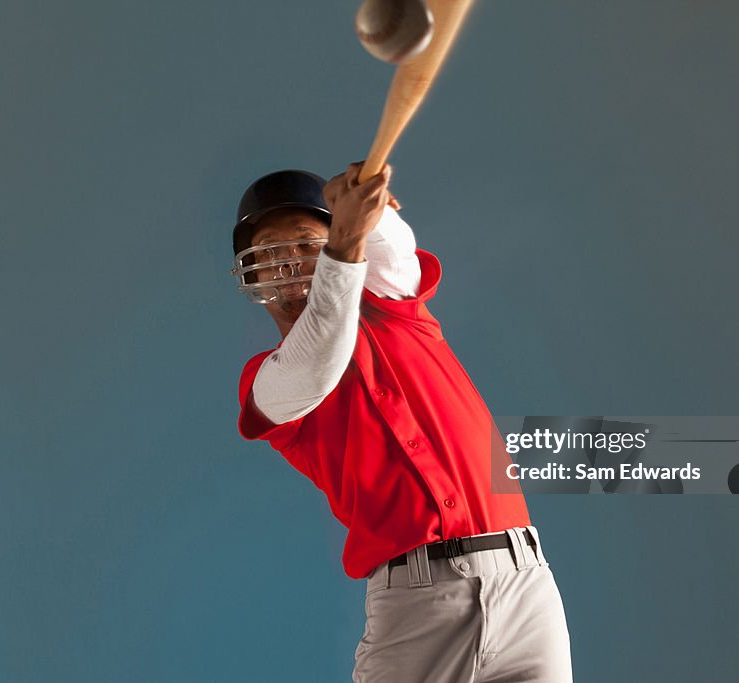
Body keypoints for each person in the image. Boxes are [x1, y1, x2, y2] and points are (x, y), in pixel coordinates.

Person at [231, 162, 573, 682]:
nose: (289, 264)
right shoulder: (268, 380)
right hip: (420, 603)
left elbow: (394, 252)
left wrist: (368, 202)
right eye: (271, 253)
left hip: (526, 584)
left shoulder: (396, 308)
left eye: (305, 244)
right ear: (252, 276)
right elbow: (320, 353)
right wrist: (343, 234)